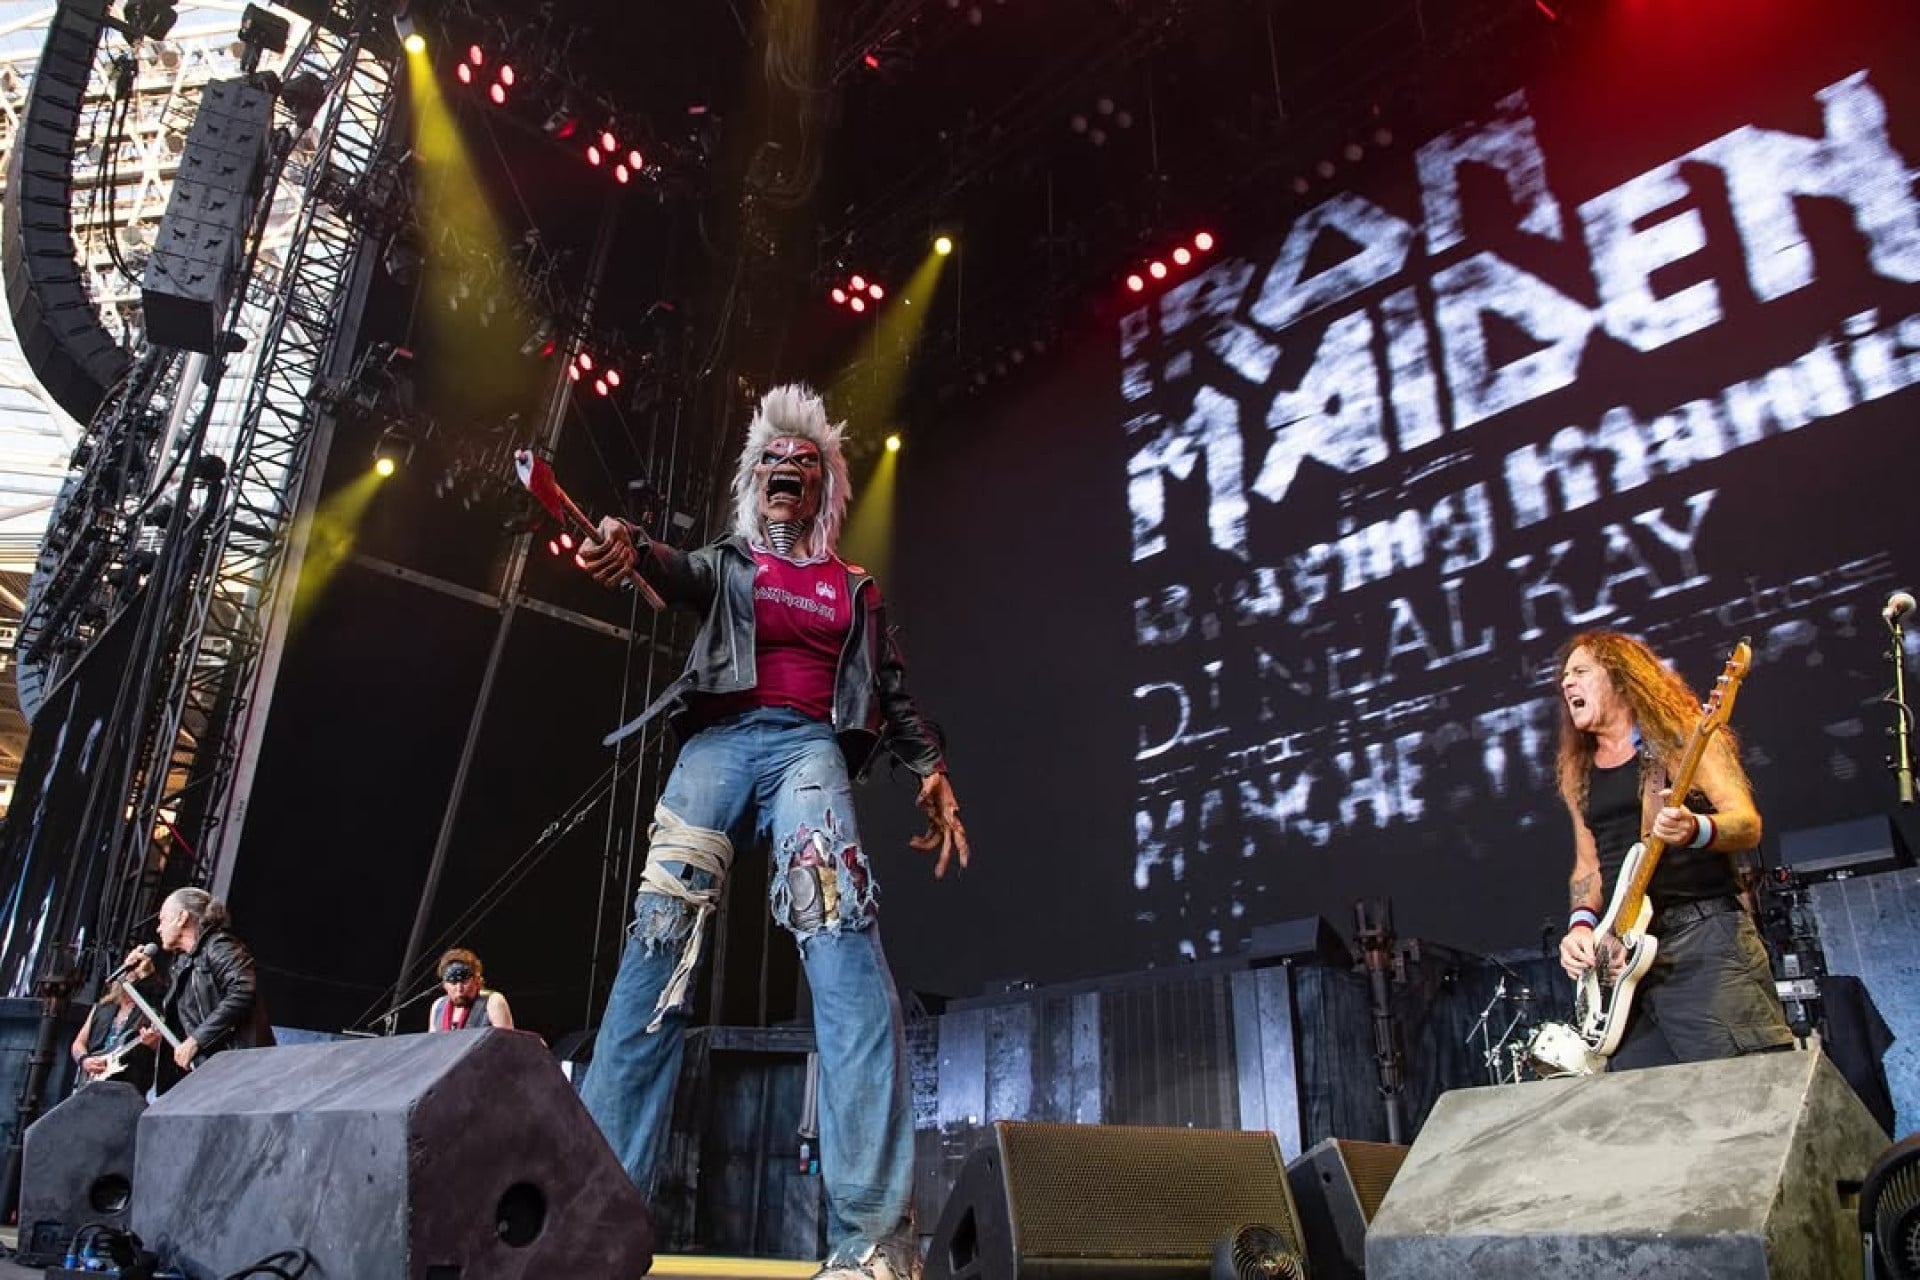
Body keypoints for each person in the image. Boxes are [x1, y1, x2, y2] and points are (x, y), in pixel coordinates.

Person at [575, 383, 968, 1280]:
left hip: (806, 752)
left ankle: (873, 1242)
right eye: (773, 462)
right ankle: (591, 1229)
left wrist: (930, 768)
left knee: (843, 945)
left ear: (824, 486)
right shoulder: (729, 563)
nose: (787, 469)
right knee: (657, 947)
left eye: (804, 462)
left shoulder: (851, 588)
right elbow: (670, 567)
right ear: (754, 480)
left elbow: (892, 690)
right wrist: (628, 543)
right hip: (718, 746)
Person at [1554, 630, 1794, 1069]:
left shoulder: (1688, 738)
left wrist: (1695, 829)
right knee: (1648, 1103)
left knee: (1742, 1087)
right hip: (1623, 965)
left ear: (1621, 678)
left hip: (1704, 941)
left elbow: (1746, 824)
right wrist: (1581, 927)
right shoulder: (1579, 771)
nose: (1567, 683)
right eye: (1565, 676)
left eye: (1581, 671)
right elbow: (1587, 866)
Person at [125, 887, 274, 1091]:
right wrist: (146, 979)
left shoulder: (219, 945)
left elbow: (242, 991)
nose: (158, 929)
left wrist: (196, 1040)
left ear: (182, 918)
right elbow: (172, 1012)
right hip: (207, 1071)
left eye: (162, 920)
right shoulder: (183, 962)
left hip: (237, 1068)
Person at [69, 979, 155, 1094]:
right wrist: (84, 1060)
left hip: (127, 1085)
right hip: (91, 1083)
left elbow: (157, 1050)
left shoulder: (148, 1011)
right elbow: (78, 1043)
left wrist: (152, 1043)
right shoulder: (102, 1007)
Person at [427, 947, 514, 1032]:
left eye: (464, 982)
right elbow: (433, 1041)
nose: (459, 989)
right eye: (453, 983)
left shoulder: (493, 1001)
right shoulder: (438, 1006)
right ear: (444, 985)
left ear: (477, 979)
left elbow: (506, 1039)